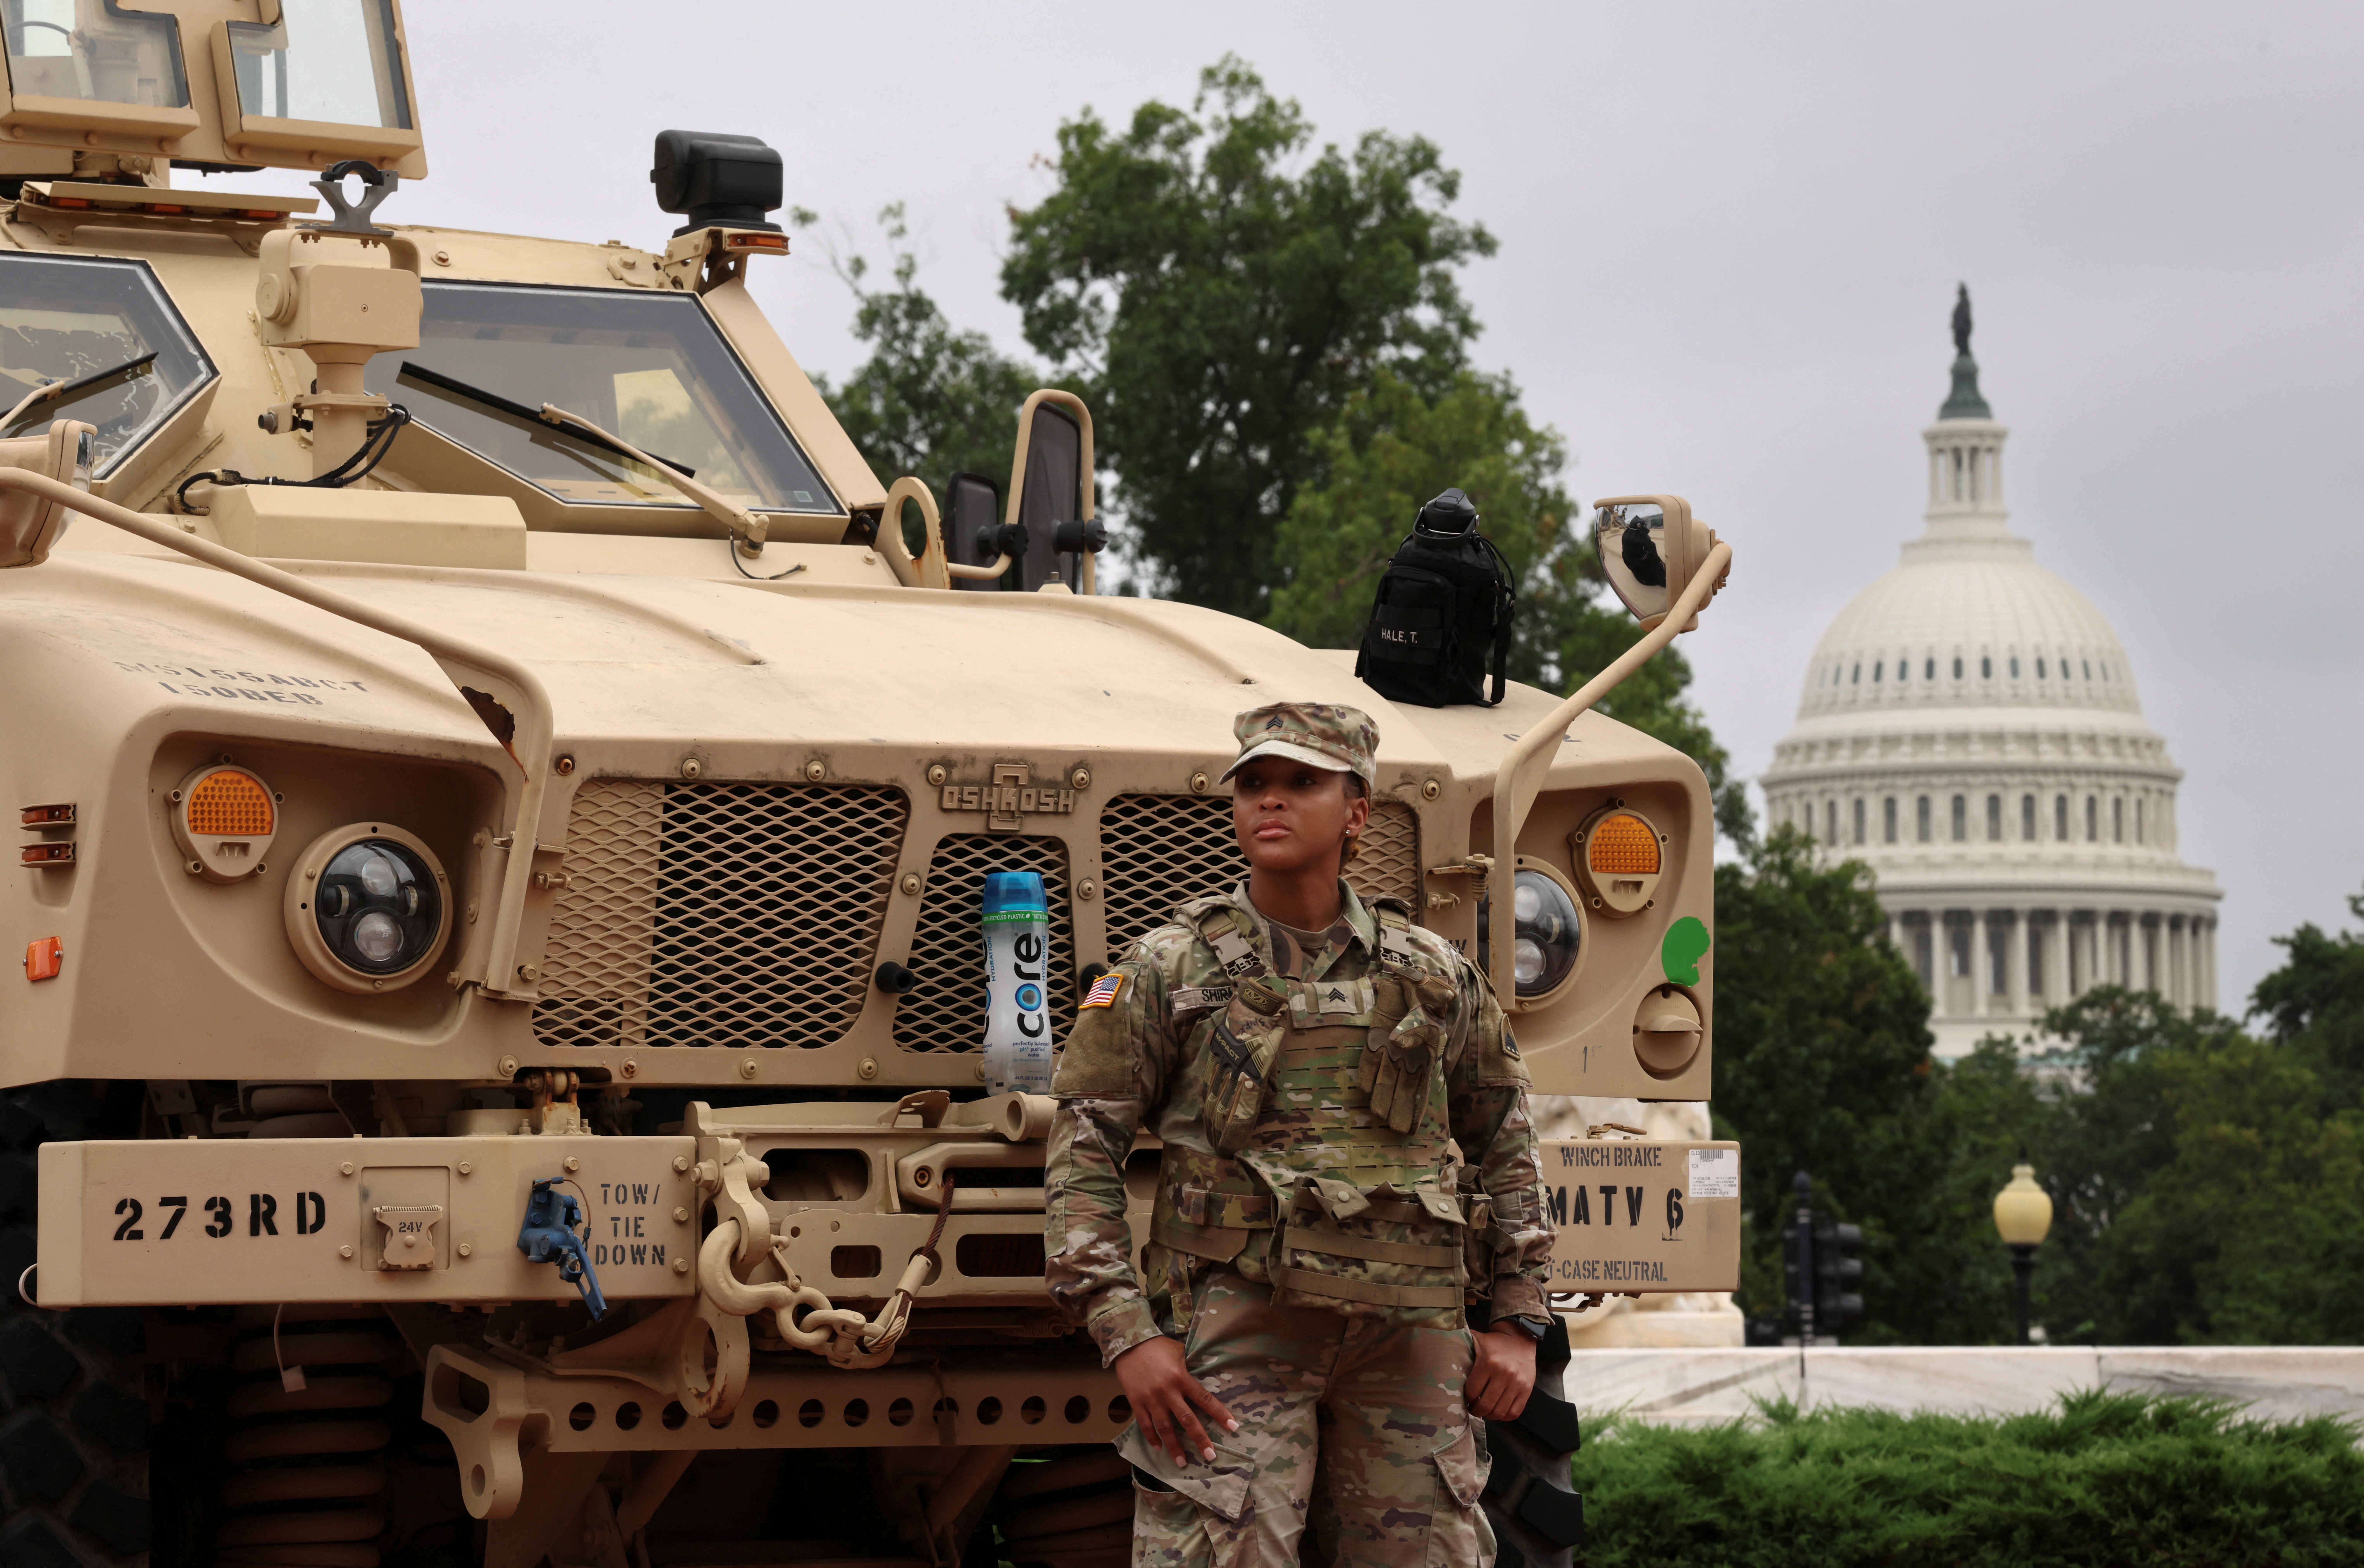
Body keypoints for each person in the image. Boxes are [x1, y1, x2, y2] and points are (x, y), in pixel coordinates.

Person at [1044, 701, 1554, 1567]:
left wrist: (1517, 1319)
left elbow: (1505, 1136)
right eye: (1252, 785)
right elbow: (1083, 1152)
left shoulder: (1432, 973)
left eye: (1299, 783)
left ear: (1357, 809)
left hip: (1410, 1342)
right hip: (1241, 1330)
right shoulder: (1168, 968)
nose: (1268, 802)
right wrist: (1126, 1331)